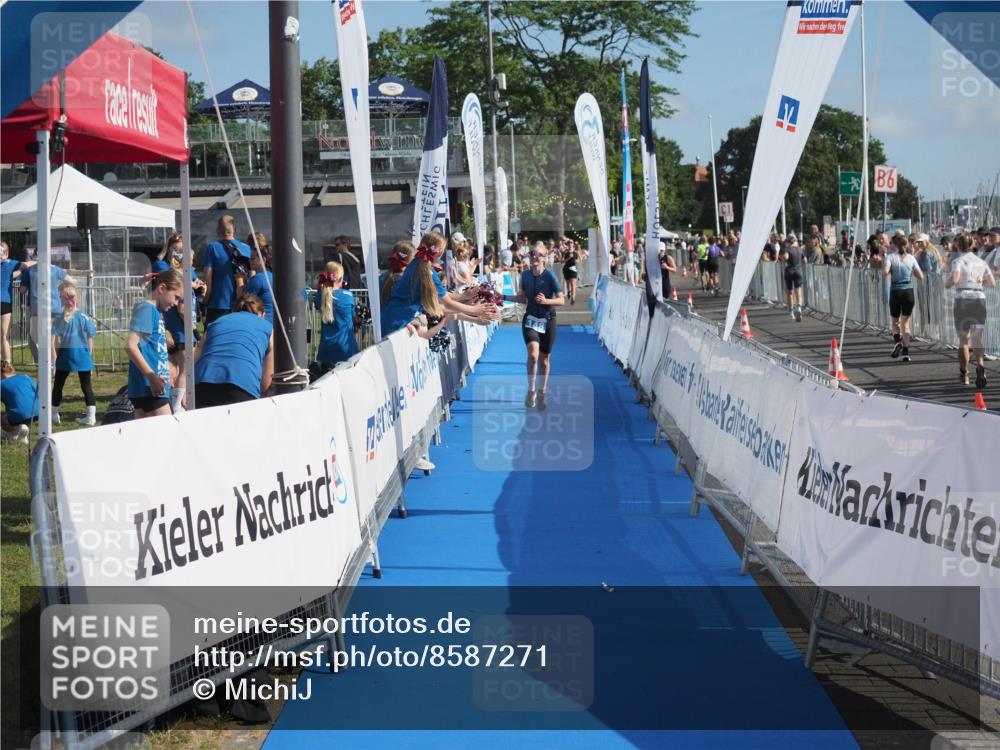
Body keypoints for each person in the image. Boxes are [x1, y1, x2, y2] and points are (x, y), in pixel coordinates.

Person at [381, 231, 497, 334]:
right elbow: (447, 303)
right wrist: (474, 310)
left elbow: (443, 297)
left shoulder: (417, 264)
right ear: (439, 252)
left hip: (393, 318)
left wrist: (464, 297)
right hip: (400, 323)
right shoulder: (428, 272)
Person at [501, 242, 565, 410]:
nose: (534, 257)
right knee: (533, 355)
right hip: (530, 320)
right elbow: (523, 298)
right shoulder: (525, 276)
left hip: (548, 320)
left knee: (545, 360)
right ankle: (531, 391)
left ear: (544, 259)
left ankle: (542, 391)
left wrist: (546, 301)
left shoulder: (550, 276)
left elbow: (561, 300)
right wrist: (503, 297)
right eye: (532, 254)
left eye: (538, 255)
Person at [153, 232, 206, 412]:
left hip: (175, 328)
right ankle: (177, 407)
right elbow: (182, 308)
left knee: (174, 366)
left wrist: (198, 289)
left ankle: (171, 402)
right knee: (185, 368)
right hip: (181, 329)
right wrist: (194, 330)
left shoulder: (184, 278)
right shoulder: (178, 279)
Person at [194, 293, 274, 407]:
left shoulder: (215, 324)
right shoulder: (268, 328)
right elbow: (266, 383)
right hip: (242, 387)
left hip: (202, 384)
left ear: (234, 311)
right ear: (263, 315)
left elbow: (196, 358)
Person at [125, 269, 183, 419]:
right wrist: (152, 378)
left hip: (151, 388)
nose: (176, 303)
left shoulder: (153, 311)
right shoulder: (146, 309)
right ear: (162, 288)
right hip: (149, 388)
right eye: (176, 297)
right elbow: (130, 345)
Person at [945, 232, 996, 387]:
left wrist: (947, 283)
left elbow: (955, 279)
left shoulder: (958, 261)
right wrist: (979, 283)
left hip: (963, 299)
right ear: (972, 244)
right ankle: (980, 366)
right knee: (977, 338)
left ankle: (964, 373)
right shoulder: (981, 262)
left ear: (958, 245)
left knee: (964, 340)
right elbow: (992, 283)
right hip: (979, 298)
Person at [51, 279, 97, 426]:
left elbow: (57, 341)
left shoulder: (59, 318)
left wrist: (56, 356)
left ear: (63, 299)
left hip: (65, 354)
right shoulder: (86, 317)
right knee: (86, 386)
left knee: (58, 385)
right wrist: (89, 356)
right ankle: (91, 417)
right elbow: (90, 340)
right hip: (83, 355)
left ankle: (54, 414)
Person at [883, 234, 925, 362]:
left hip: (896, 291)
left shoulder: (890, 257)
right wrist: (910, 271)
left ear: (895, 245)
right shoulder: (911, 258)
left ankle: (897, 342)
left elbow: (885, 272)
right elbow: (920, 276)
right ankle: (906, 352)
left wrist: (890, 269)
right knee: (905, 323)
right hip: (908, 292)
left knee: (895, 321)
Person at [203, 215, 251, 324]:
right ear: (235, 230)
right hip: (241, 303)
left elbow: (207, 280)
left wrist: (205, 301)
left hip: (218, 303)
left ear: (217, 230)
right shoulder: (246, 248)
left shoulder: (213, 248)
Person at [314, 262, 359, 373]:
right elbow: (354, 317)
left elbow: (318, 302)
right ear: (340, 279)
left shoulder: (319, 297)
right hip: (346, 350)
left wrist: (320, 288)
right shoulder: (348, 296)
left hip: (325, 350)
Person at [1, 361, 38, 443]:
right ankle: (21, 433)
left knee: (3, 418)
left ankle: (15, 431)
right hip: (38, 412)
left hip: (20, 415)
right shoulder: (26, 377)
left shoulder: (1, 384)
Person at [1, 241, 25, 368]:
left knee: (4, 336)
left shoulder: (11, 264)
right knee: (4, 336)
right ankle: (7, 364)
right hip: (5, 302)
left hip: (5, 302)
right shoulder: (10, 263)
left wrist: (16, 273)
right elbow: (25, 265)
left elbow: (24, 265)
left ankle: (7, 364)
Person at [244, 243, 274, 325]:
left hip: (263, 322)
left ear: (263, 260)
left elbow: (243, 302)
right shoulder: (273, 276)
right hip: (274, 323)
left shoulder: (258, 279)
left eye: (253, 258)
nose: (249, 261)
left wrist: (239, 280)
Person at [781, 236, 805, 321]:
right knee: (798, 291)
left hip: (789, 271)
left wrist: (783, 256)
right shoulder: (800, 249)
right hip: (798, 271)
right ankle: (799, 308)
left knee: (790, 292)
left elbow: (785, 258)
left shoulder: (787, 249)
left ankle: (791, 312)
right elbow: (805, 260)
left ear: (788, 242)